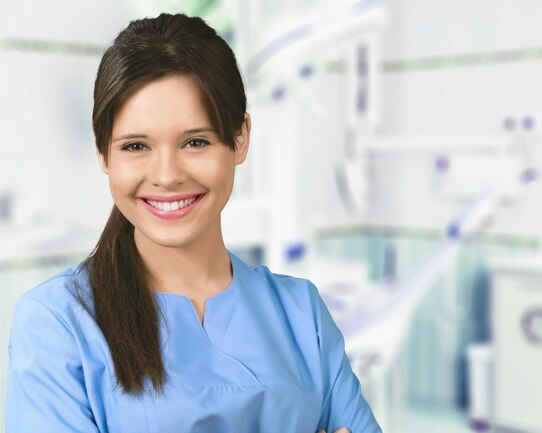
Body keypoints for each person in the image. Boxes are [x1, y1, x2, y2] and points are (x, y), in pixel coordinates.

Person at [5, 12, 381, 433]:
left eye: (195, 142)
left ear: (240, 138)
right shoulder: (57, 325)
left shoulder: (302, 315)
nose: (166, 175)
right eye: (135, 146)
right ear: (103, 152)